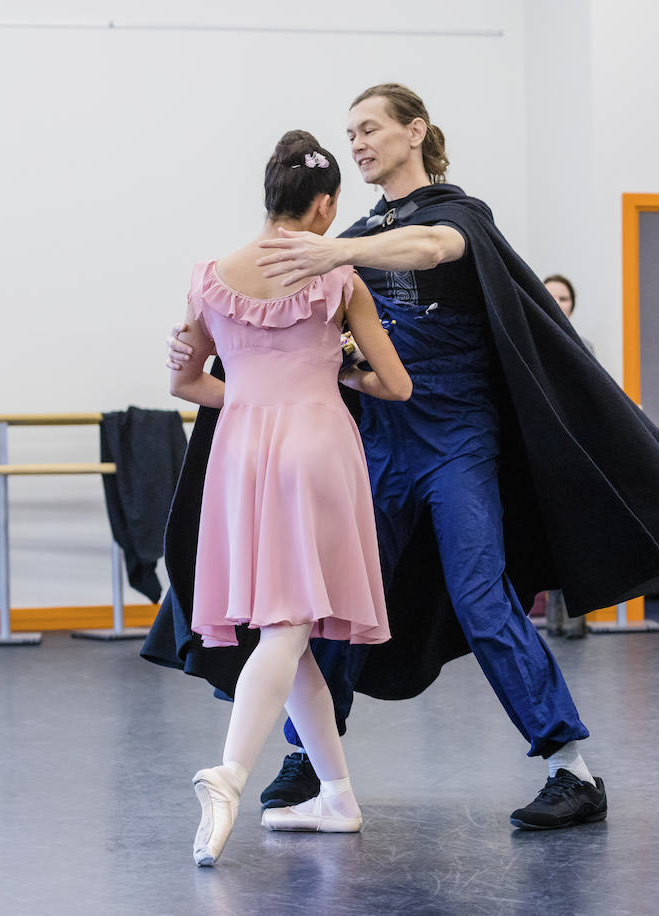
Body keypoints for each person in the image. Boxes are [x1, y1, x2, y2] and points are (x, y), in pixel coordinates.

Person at [149, 84, 659, 832]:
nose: (357, 143)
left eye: (371, 128)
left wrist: (338, 251)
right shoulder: (349, 236)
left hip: (456, 445)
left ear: (415, 131)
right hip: (375, 449)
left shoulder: (453, 214)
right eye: (349, 133)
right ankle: (312, 759)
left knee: (483, 596)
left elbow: (434, 248)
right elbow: (267, 319)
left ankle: (569, 767)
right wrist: (193, 348)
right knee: (325, 607)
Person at [168, 130, 412, 866]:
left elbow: (185, 383)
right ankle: (231, 773)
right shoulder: (340, 278)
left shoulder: (209, 278)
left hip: (239, 453)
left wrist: (247, 395)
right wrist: (336, 372)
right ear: (325, 205)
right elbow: (396, 385)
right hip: (316, 450)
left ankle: (336, 795)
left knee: (288, 626)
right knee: (289, 625)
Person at [537, 273, 590, 639]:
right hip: (539, 452)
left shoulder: (582, 346)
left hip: (575, 453)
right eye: (551, 296)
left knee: (577, 538)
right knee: (546, 539)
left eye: (564, 298)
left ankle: (575, 620)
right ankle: (553, 620)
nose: (558, 303)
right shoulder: (527, 342)